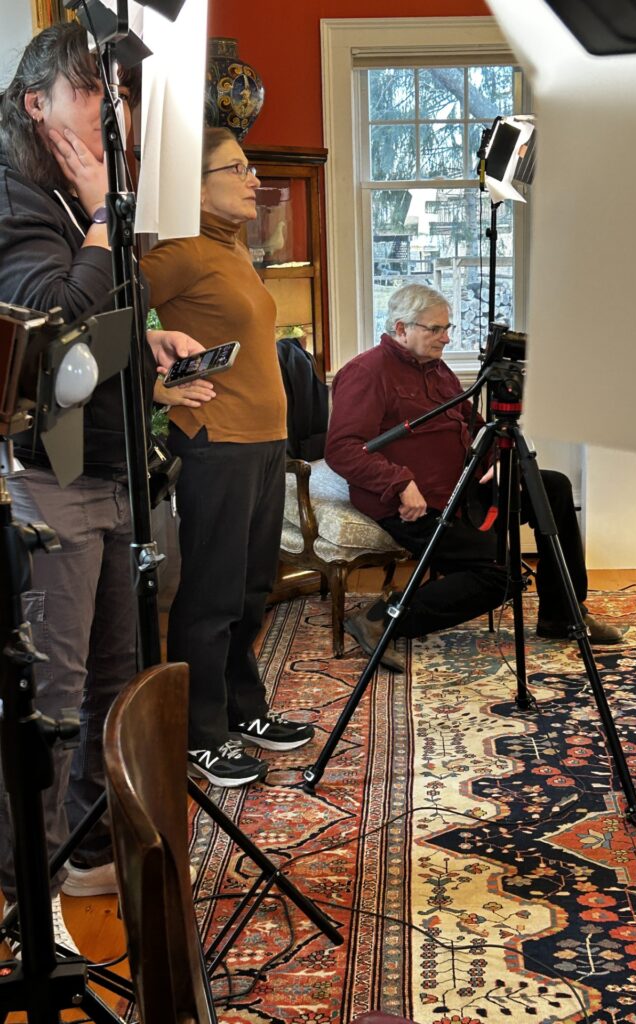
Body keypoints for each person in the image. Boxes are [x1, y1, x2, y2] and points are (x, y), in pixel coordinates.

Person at [0, 22, 211, 940]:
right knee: (54, 698)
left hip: (109, 461)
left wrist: (149, 342)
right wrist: (97, 216)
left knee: (118, 685)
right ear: (35, 102)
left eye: (118, 94)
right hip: (52, 474)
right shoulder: (16, 192)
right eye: (93, 90)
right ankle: (26, 894)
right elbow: (47, 321)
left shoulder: (78, 193)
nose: (113, 110)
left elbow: (93, 340)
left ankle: (89, 854)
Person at [325, 283, 626, 671]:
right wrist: (398, 482)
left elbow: (475, 425)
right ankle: (382, 617)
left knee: (551, 486)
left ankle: (563, 614)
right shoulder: (367, 372)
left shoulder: (438, 370)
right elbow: (343, 448)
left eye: (447, 328)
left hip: (463, 487)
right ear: (401, 328)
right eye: (435, 329)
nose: (446, 338)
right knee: (501, 576)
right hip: (413, 503)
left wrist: (501, 459)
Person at [140, 127, 315, 789]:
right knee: (211, 597)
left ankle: (245, 708)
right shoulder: (181, 252)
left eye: (250, 167)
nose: (253, 179)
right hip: (218, 445)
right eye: (236, 168)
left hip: (264, 445)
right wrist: (159, 385)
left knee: (248, 591)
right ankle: (199, 734)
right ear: (196, 184)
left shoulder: (233, 248)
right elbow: (111, 310)